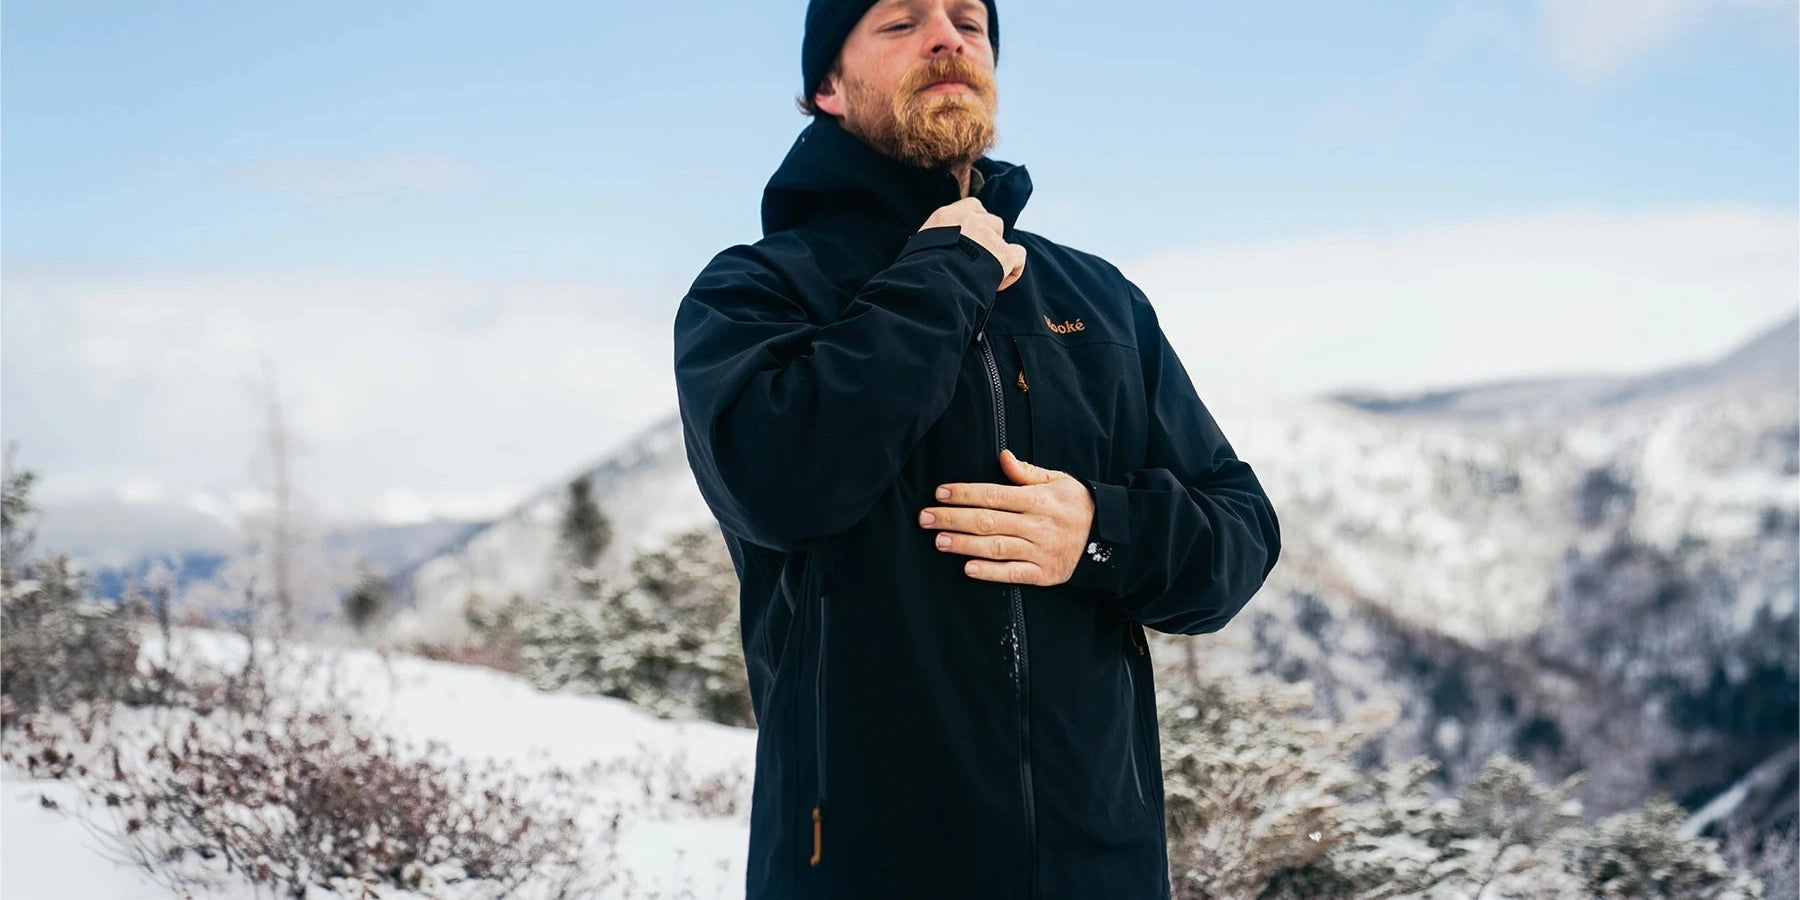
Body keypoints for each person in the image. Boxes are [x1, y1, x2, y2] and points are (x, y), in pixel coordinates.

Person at [671, 1, 1282, 896]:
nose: (949, 37)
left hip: (1100, 870)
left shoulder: (1100, 299)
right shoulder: (758, 291)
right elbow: (781, 483)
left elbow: (1241, 534)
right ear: (827, 87)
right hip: (860, 869)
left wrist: (1099, 532)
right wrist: (946, 271)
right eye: (900, 21)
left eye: (970, 20)